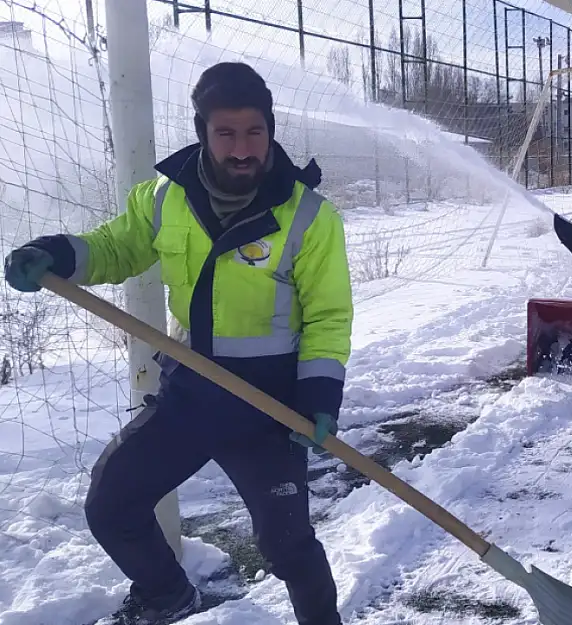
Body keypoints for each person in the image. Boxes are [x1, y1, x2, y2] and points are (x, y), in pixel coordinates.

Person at [3, 62, 352, 625]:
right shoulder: (165, 198)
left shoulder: (310, 216)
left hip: (270, 405)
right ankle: (167, 593)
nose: (243, 149)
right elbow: (116, 247)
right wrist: (58, 255)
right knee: (111, 504)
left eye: (254, 132)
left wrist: (317, 398)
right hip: (191, 391)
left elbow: (329, 315)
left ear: (271, 129)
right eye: (226, 133)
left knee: (288, 545)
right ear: (202, 132)